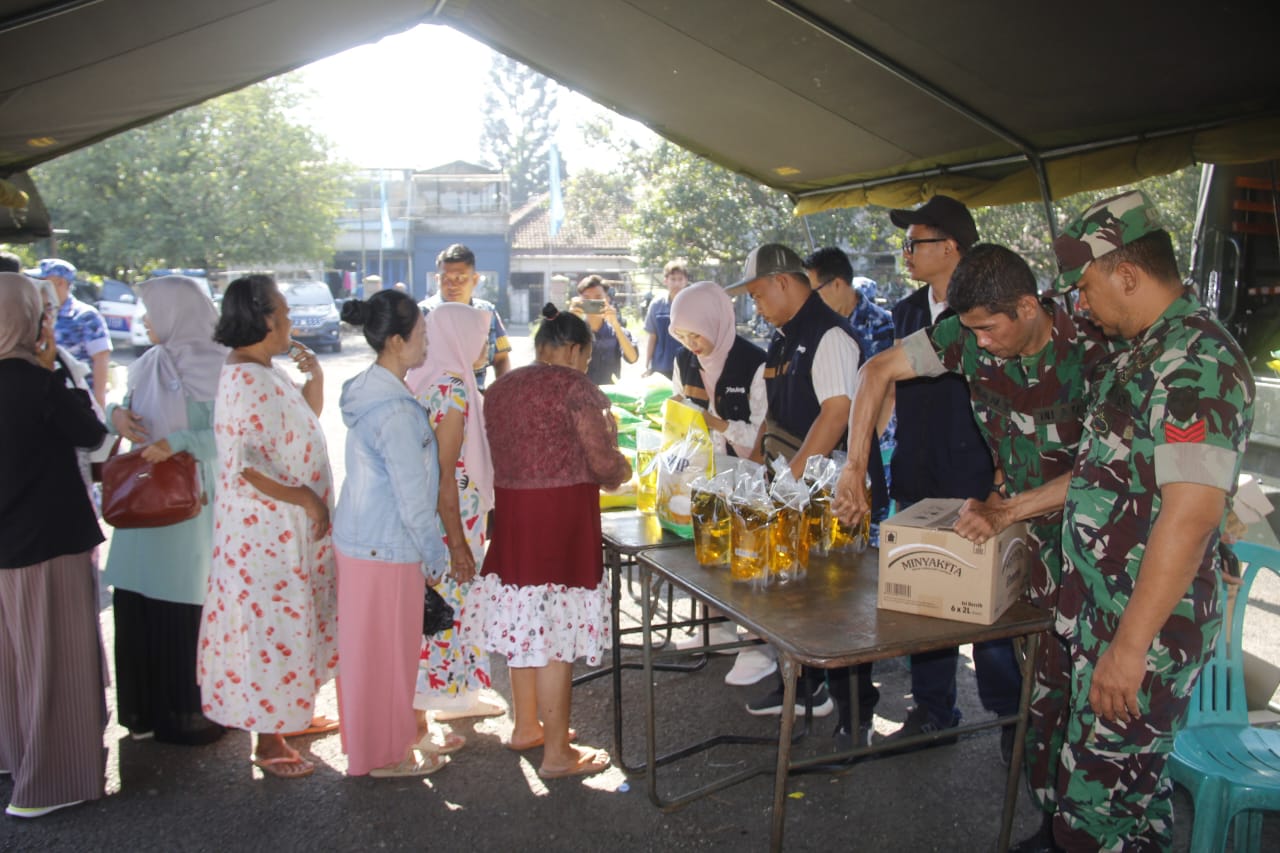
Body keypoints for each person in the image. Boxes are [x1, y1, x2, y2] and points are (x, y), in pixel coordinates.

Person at [831, 243, 1109, 848]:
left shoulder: (1093, 348)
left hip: (1095, 547)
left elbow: (1103, 471)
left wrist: (1004, 506)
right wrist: (854, 469)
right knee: (1042, 688)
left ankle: (1087, 827)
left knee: (1092, 704)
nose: (978, 343)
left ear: (1030, 307)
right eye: (971, 331)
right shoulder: (963, 332)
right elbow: (876, 372)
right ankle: (1051, 822)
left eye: (989, 329)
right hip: (1023, 541)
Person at [1047, 190, 1253, 850]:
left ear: (1126, 274)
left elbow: (1191, 516)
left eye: (1085, 286)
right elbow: (1111, 479)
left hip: (1143, 635)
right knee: (1137, 806)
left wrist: (1129, 650)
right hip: (1110, 616)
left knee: (1088, 823)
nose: (1081, 304)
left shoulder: (1195, 360)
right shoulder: (1147, 351)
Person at [878, 195, 1022, 753]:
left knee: (987, 612)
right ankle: (934, 710)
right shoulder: (907, 311)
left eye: (916, 242)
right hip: (916, 469)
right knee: (921, 598)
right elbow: (887, 381)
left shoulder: (989, 310)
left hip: (973, 473)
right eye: (906, 242)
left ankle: (1013, 722)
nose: (906, 253)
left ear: (953, 247)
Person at [465, 303, 631, 778]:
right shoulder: (577, 387)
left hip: (514, 513)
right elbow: (604, 464)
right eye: (585, 354)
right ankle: (557, 753)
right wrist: (625, 468)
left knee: (525, 621)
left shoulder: (500, 388)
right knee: (556, 634)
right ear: (576, 349)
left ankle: (526, 726)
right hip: (561, 520)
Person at [728, 244, 882, 750]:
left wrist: (788, 484)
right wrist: (756, 477)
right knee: (798, 599)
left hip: (833, 491)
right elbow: (774, 419)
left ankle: (855, 718)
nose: (756, 306)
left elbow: (836, 414)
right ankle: (807, 686)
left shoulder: (829, 334)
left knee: (839, 609)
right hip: (794, 486)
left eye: (757, 294)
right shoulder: (781, 339)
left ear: (784, 282)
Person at [198, 274, 339, 780]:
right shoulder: (243, 377)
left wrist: (314, 381)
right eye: (284, 309)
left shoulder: (264, 370)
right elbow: (246, 464)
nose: (292, 320)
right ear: (263, 318)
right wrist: (306, 498)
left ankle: (288, 715)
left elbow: (298, 427)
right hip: (265, 535)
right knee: (269, 629)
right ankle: (267, 739)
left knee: (292, 624)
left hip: (284, 529)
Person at [102, 276, 229, 745]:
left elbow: (234, 437)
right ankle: (145, 714)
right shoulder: (148, 364)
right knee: (140, 603)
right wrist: (117, 413)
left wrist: (178, 442)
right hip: (142, 503)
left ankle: (189, 716)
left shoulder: (219, 366)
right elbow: (122, 409)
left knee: (183, 606)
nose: (144, 322)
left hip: (188, 506)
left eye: (151, 312)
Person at [0, 272, 108, 818]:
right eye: (39, 312)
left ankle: (14, 757)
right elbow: (92, 433)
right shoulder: (38, 383)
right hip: (48, 538)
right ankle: (49, 782)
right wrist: (51, 371)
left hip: (9, 544)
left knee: (14, 661)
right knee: (56, 661)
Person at [333, 289, 453, 778]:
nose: (427, 343)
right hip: (387, 546)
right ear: (398, 341)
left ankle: (375, 748)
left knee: (367, 657)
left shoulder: (370, 389)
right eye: (422, 335)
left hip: (364, 542)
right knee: (387, 659)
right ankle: (386, 756)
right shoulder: (398, 410)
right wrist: (434, 556)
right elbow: (412, 500)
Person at [667, 280, 773, 682]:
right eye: (683, 335)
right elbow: (680, 412)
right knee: (709, 556)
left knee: (747, 560)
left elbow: (762, 433)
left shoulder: (754, 363)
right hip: (702, 474)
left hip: (747, 477)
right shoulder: (683, 360)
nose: (693, 344)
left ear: (718, 323)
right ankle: (715, 628)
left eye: (698, 334)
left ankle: (757, 645)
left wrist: (716, 422)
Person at [406, 303, 502, 725]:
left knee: (452, 610)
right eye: (481, 339)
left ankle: (458, 694)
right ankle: (446, 699)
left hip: (447, 520)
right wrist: (459, 545)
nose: (488, 347)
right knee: (451, 610)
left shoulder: (427, 382)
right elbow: (446, 476)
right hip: (452, 524)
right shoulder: (453, 390)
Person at [419, 243, 511, 390]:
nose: (452, 285)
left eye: (460, 278)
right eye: (445, 279)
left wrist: (501, 392)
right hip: (435, 403)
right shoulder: (423, 314)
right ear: (437, 279)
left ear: (474, 279)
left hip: (477, 398)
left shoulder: (487, 312)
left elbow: (501, 358)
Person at [33, 258, 112, 409]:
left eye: (43, 279)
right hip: (47, 396)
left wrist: (98, 403)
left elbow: (101, 359)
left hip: (78, 399)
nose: (39, 285)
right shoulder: (40, 312)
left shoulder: (85, 316)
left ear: (60, 283)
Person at [802, 247, 894, 357]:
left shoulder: (880, 326)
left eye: (815, 291)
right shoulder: (815, 325)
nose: (812, 299)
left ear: (837, 284)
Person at [571, 274, 638, 385]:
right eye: (587, 298)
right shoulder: (572, 331)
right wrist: (570, 322)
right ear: (580, 300)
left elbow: (632, 358)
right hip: (579, 395)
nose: (592, 303)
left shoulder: (617, 332)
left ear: (607, 299)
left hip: (609, 397)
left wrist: (615, 324)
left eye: (598, 298)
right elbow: (554, 361)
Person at [642, 259, 688, 378]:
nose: (677, 283)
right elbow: (652, 337)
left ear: (686, 281)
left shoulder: (692, 305)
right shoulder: (656, 305)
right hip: (661, 366)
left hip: (687, 366)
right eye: (673, 279)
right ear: (665, 281)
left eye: (680, 279)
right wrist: (646, 365)